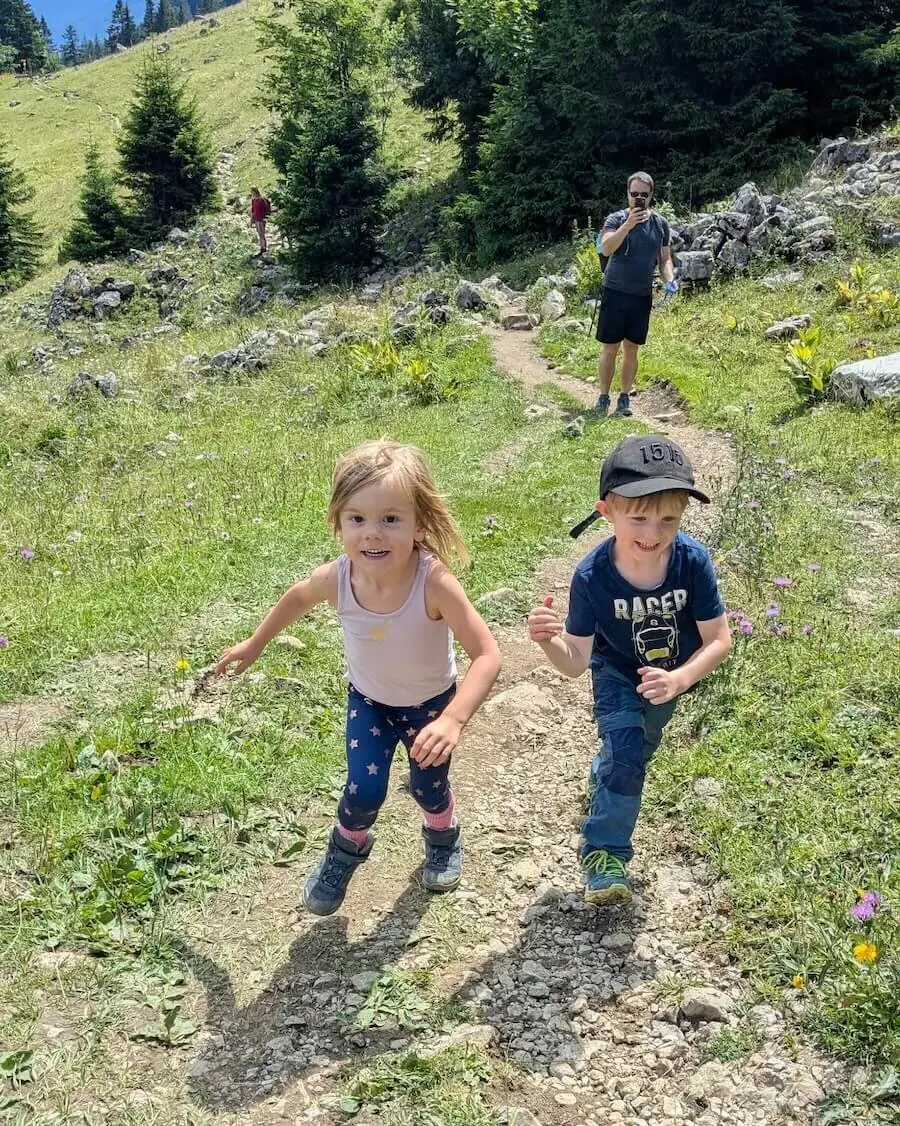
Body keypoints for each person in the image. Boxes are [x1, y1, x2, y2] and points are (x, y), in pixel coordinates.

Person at [215, 439, 502, 916]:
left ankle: (443, 833)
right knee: (363, 790)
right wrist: (255, 644)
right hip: (368, 702)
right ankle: (345, 849)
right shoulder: (337, 578)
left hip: (430, 706)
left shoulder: (433, 582)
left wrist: (453, 720)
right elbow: (295, 598)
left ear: (420, 523)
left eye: (391, 519)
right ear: (339, 522)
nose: (373, 534)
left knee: (427, 787)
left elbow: (488, 654)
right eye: (357, 519)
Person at [527, 435, 731, 906]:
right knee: (626, 754)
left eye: (668, 519)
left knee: (635, 752)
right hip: (616, 672)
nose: (653, 533)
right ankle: (604, 856)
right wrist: (549, 642)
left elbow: (719, 640)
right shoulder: (592, 576)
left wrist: (680, 679)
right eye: (638, 517)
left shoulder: (693, 562)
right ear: (607, 512)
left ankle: (606, 774)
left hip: (669, 677)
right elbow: (575, 662)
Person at [594, 172, 678, 418]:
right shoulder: (616, 219)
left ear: (651, 195)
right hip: (614, 291)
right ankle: (602, 396)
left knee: (632, 348)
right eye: (634, 194)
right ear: (627, 194)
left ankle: (624, 397)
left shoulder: (660, 224)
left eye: (644, 194)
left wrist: (669, 279)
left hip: (641, 295)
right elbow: (606, 248)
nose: (638, 198)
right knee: (610, 347)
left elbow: (664, 259)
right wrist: (628, 224)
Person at [249, 186, 271, 254]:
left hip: (261, 219)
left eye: (252, 191)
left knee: (262, 233)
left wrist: (265, 217)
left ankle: (264, 248)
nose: (251, 193)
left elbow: (266, 209)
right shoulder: (254, 200)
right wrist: (252, 220)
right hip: (256, 219)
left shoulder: (261, 199)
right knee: (259, 233)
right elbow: (253, 210)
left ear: (255, 192)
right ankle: (262, 247)